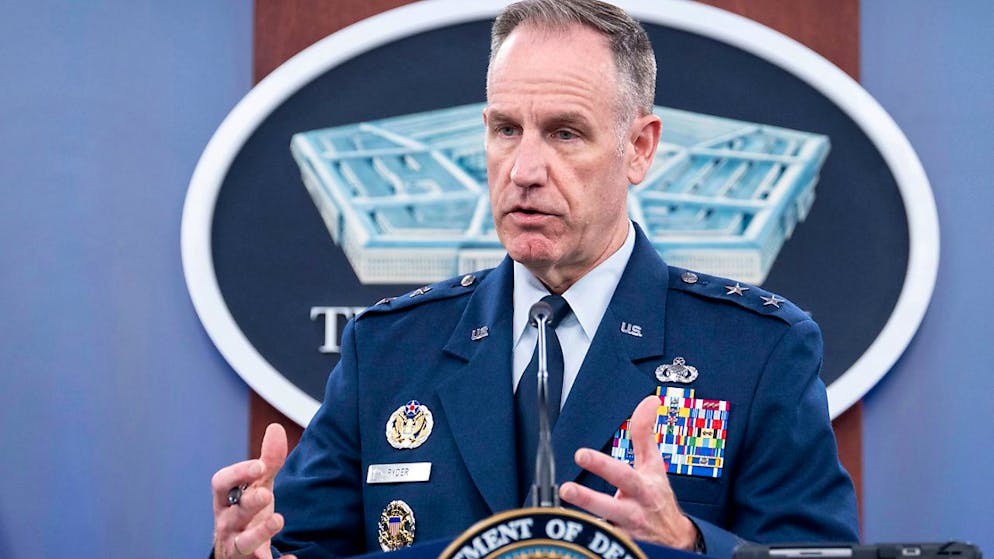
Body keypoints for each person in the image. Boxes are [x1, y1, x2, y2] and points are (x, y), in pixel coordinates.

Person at [210, 1, 859, 557]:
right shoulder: (387, 351)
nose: (523, 168)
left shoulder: (755, 350)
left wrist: (688, 543)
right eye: (505, 129)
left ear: (640, 147)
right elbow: (294, 545)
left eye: (565, 133)